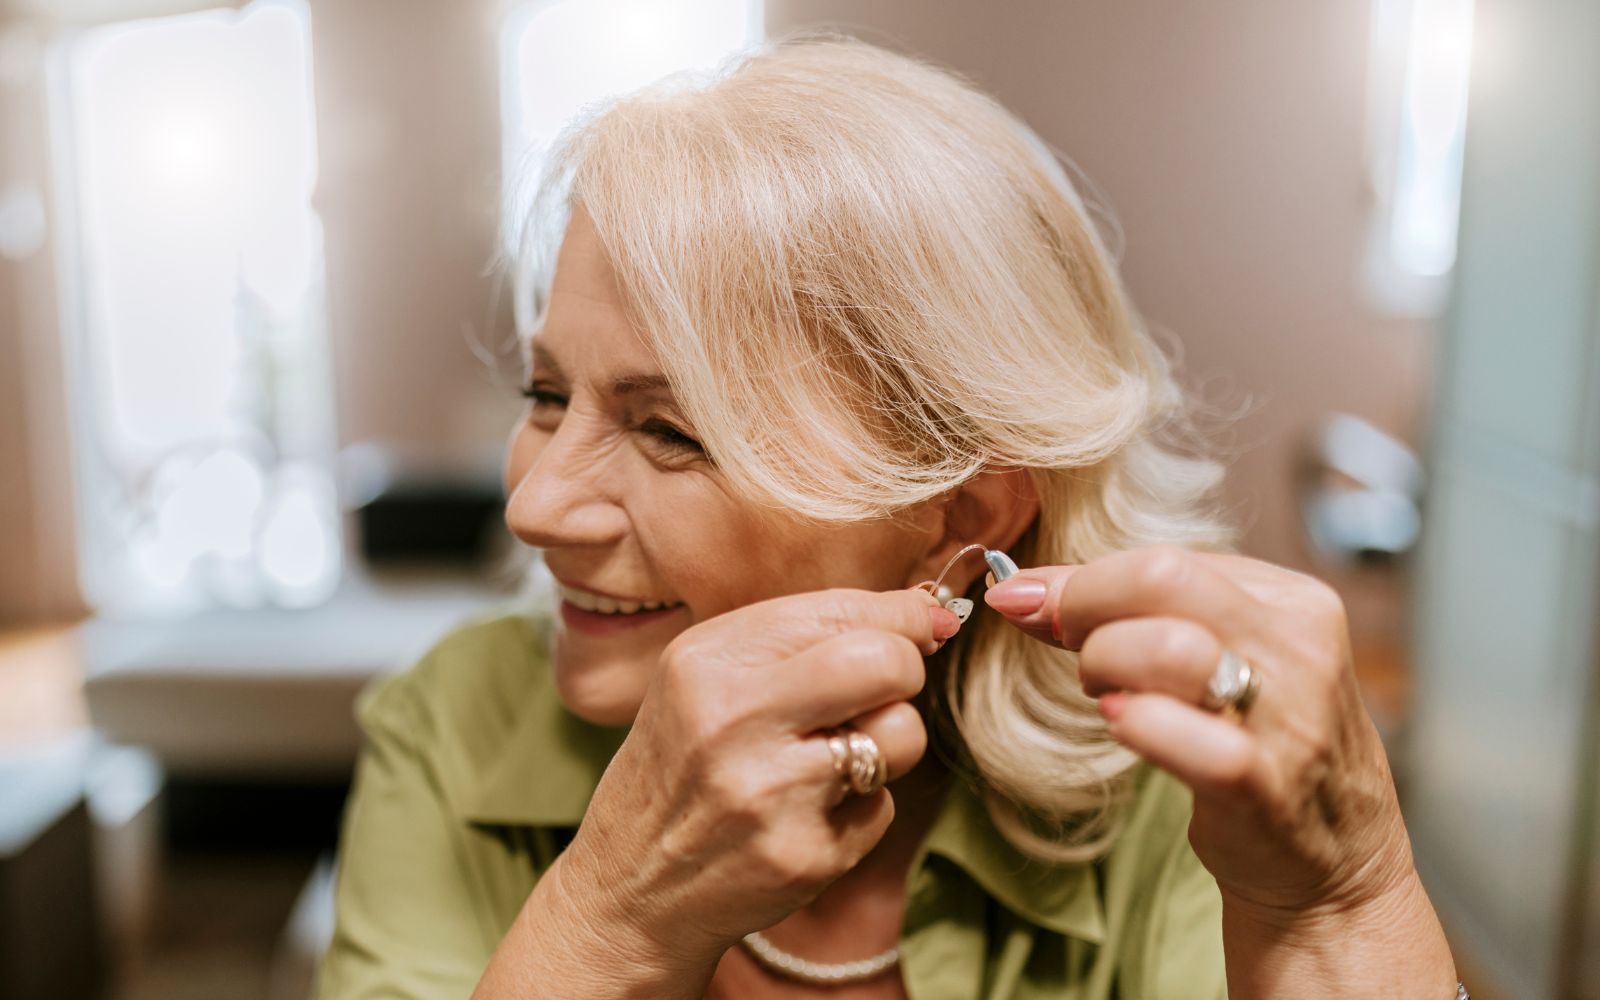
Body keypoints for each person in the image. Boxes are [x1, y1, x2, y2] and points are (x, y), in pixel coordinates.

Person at [316, 36, 1461, 999]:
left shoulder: (1175, 795)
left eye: (669, 430)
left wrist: (1343, 903)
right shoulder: (453, 726)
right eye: (544, 395)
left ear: (961, 519)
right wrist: (609, 915)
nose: (533, 503)